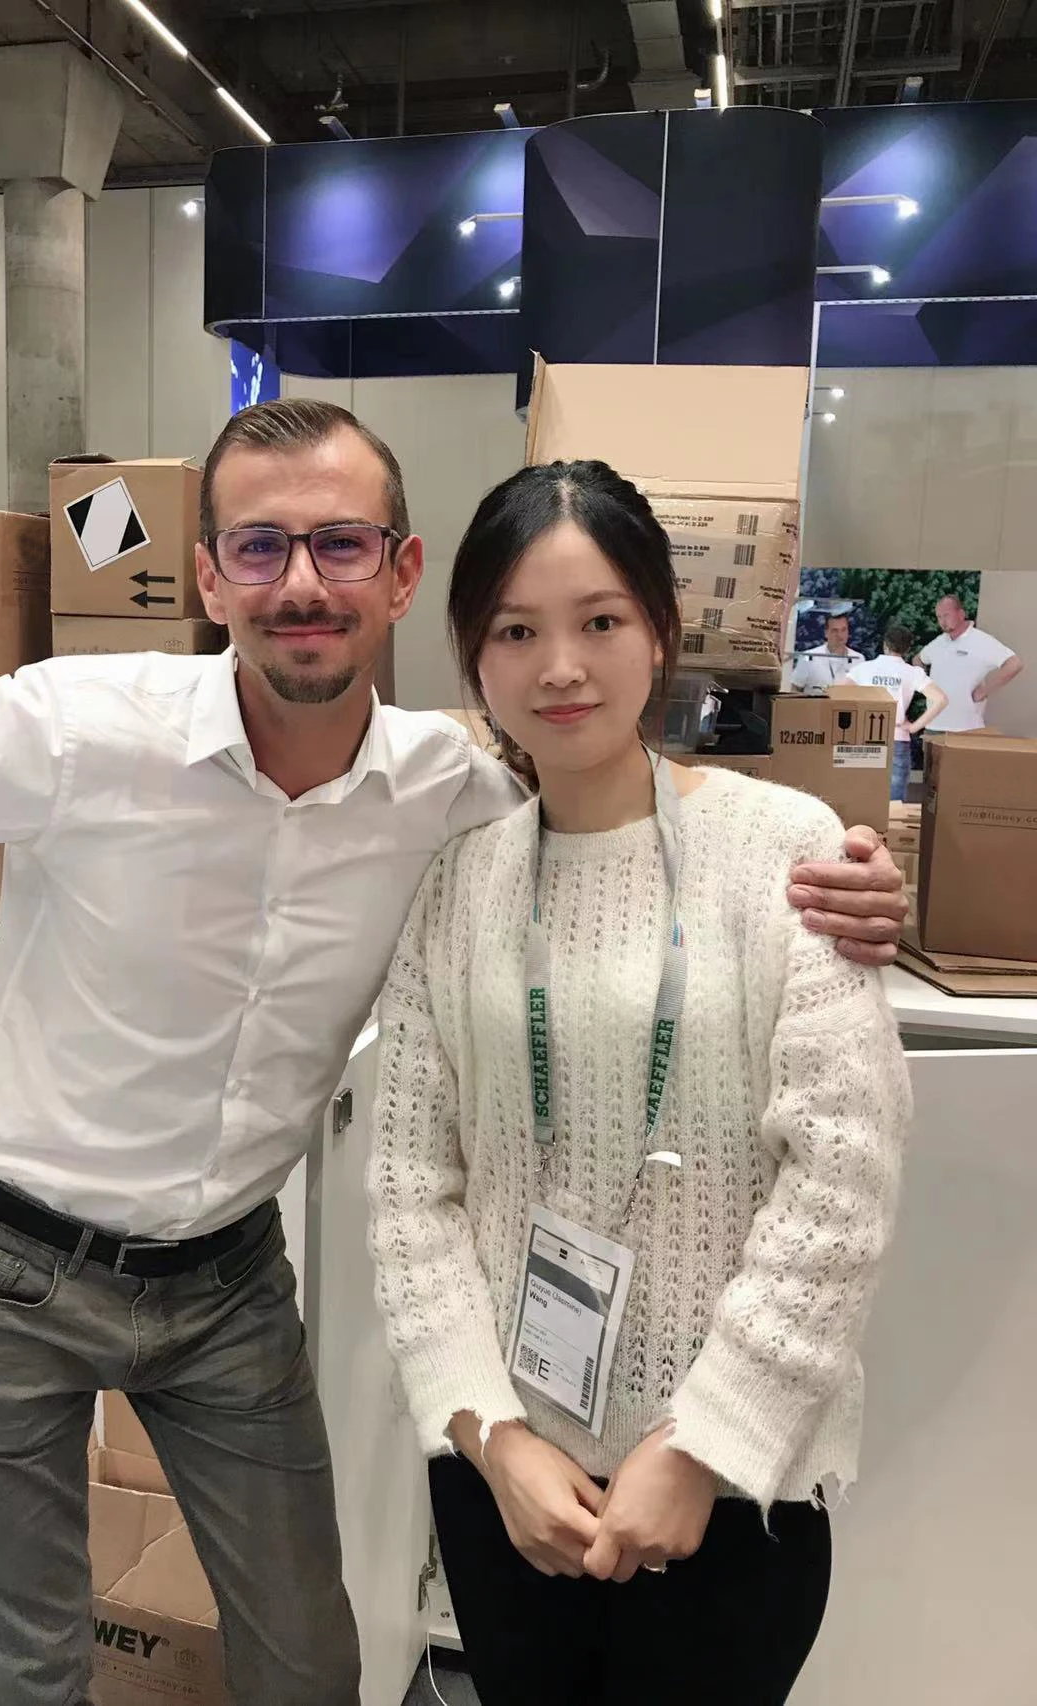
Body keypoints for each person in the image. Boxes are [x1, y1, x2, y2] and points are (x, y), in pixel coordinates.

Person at [0, 403, 907, 1706]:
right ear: (208, 576)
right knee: (32, 1671)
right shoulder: (83, 726)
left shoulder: (449, 798)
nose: (301, 580)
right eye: (260, 545)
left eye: (341, 542)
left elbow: (618, 810)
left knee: (310, 1660)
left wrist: (852, 878)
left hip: (225, 1284)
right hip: (5, 1263)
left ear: (401, 575)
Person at [367, 460, 911, 1706]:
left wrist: (705, 1440)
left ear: (659, 631)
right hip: (510, 1494)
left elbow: (839, 1176)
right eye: (515, 631)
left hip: (731, 1495)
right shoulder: (457, 881)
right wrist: (488, 1433)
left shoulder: (786, 852)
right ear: (473, 658)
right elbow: (407, 1185)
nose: (559, 667)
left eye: (599, 620)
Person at [845, 624, 948, 802]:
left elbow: (838, 692)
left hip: (864, 736)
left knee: (861, 798)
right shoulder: (912, 673)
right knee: (894, 803)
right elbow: (941, 699)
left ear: (885, 644)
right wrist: (915, 727)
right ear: (907, 649)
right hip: (897, 736)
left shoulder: (864, 668)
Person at [915, 595, 1024, 733]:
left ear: (961, 614)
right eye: (939, 617)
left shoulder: (981, 641)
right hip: (933, 726)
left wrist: (984, 691)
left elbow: (1014, 664)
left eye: (946, 615)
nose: (942, 621)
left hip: (966, 728)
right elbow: (918, 659)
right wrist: (925, 685)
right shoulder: (938, 643)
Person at [791, 611, 864, 693]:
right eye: (835, 631)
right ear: (826, 633)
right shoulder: (809, 657)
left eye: (843, 630)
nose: (839, 635)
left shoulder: (858, 659)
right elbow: (795, 688)